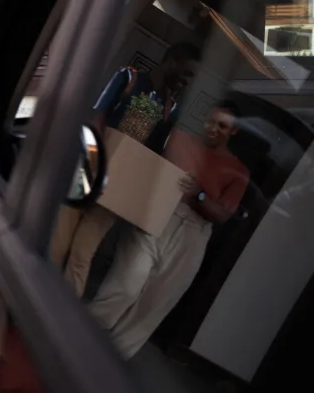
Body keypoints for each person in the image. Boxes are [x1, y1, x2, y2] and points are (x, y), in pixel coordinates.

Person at [88, 101, 250, 359]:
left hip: (194, 233)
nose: (214, 129)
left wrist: (198, 195)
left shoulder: (239, 171)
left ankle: (113, 358)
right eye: (212, 121)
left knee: (153, 304)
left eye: (223, 126)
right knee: (126, 284)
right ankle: (84, 335)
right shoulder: (182, 139)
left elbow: (222, 216)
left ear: (234, 132)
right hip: (161, 212)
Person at [63, 42, 201, 298]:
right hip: (89, 171)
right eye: (187, 73)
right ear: (172, 62)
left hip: (119, 187)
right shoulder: (130, 78)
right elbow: (97, 118)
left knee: (82, 255)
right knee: (58, 240)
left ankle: (60, 313)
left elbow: (155, 155)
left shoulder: (170, 109)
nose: (188, 81)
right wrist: (96, 162)